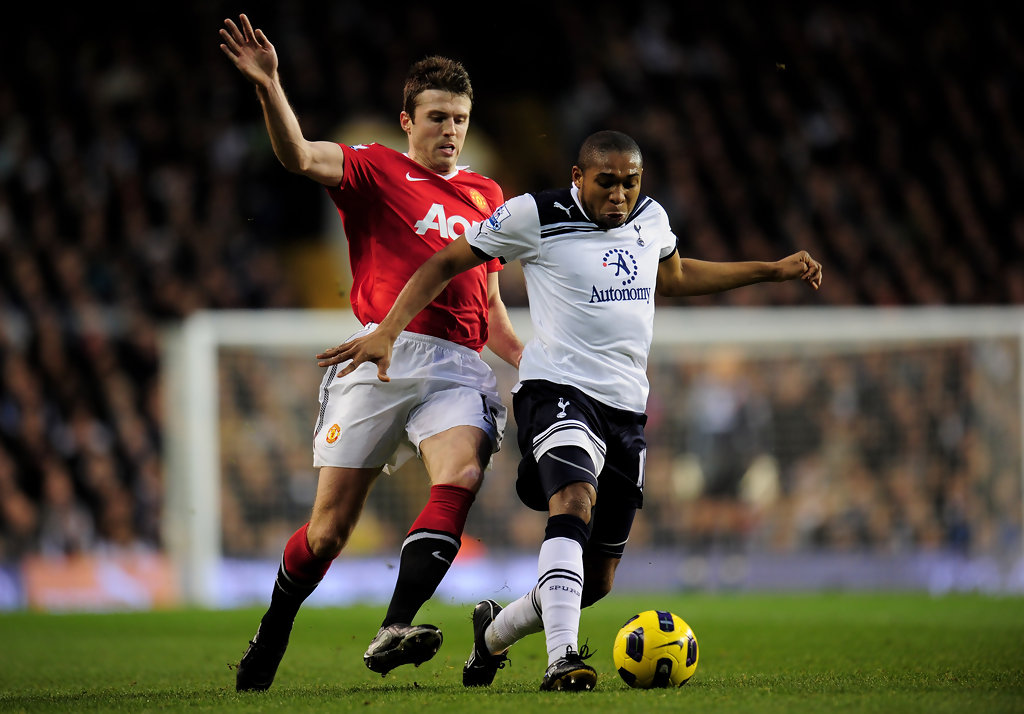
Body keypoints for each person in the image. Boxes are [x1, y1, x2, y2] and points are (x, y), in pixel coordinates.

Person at [319, 130, 823, 691]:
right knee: (573, 500)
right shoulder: (535, 215)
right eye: (606, 182)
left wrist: (770, 270)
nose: (619, 195)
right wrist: (389, 329)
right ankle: (563, 660)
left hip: (627, 407)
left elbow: (674, 276)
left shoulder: (651, 218)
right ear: (579, 177)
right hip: (556, 388)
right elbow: (445, 261)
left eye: (630, 183)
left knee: (598, 578)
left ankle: (492, 635)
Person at [218, 14, 523, 692]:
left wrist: (532, 368)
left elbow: (493, 311)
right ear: (407, 122)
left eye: (461, 119)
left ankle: (394, 624)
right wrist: (270, 85)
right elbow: (297, 156)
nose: (450, 130)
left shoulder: (487, 195)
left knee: (461, 474)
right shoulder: (372, 167)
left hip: (457, 366)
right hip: (379, 355)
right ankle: (273, 629)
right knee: (327, 535)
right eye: (438, 117)